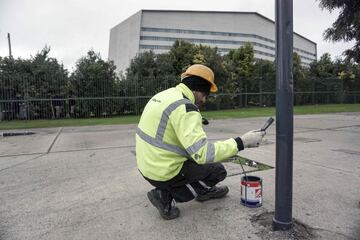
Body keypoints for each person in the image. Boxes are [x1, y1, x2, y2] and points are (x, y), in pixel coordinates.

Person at [135, 64, 266, 220]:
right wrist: (242, 142)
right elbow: (204, 154)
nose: (204, 99)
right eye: (205, 94)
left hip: (146, 166)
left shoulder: (164, 95)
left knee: (196, 160)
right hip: (163, 172)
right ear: (197, 89)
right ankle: (164, 195)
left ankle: (173, 189)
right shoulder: (186, 108)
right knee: (217, 171)